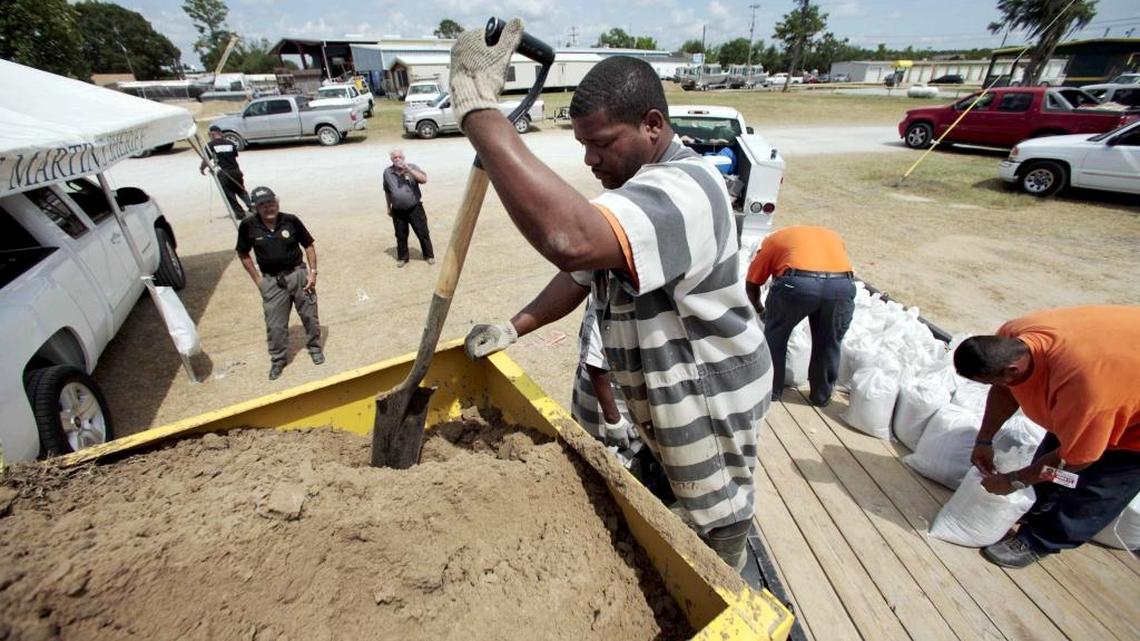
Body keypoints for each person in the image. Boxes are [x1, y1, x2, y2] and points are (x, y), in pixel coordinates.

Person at [450, 21, 773, 571]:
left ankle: (735, 594)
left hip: (708, 402)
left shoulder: (690, 188)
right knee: (665, 508)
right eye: (582, 146)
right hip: (658, 401)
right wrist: (514, 326)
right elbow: (581, 275)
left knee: (715, 524)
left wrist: (481, 113)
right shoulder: (635, 193)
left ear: (652, 125)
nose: (589, 161)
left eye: (600, 144)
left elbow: (571, 243)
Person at [954, 306, 1140, 568]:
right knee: (1054, 461)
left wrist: (1014, 480)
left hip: (1129, 424)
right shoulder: (1013, 336)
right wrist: (984, 440)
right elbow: (1004, 391)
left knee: (1094, 488)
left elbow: (1073, 462)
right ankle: (1036, 507)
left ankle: (1040, 540)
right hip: (1114, 378)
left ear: (1011, 370)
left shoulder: (1084, 390)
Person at [745, 226, 855, 406]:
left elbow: (752, 284)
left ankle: (772, 391)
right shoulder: (833, 236)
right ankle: (821, 396)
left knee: (776, 337)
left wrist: (761, 310)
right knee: (829, 342)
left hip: (797, 286)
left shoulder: (772, 241)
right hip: (841, 287)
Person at [236, 186, 325, 380]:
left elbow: (308, 245)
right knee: (275, 325)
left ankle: (315, 348)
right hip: (272, 281)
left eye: (271, 203)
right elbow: (243, 254)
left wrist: (312, 273)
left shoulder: (290, 221)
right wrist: (258, 281)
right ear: (255, 208)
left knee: (310, 316)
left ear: (277, 203)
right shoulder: (248, 226)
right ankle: (278, 360)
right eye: (263, 205)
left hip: (298, 275)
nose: (269, 208)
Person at [571, 295, 639, 463]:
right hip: (606, 395)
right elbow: (594, 356)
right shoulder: (611, 287)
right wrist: (613, 419)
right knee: (608, 462)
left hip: (627, 388)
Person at [382, 149, 434, 267]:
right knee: (400, 235)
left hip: (415, 208)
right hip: (398, 210)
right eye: (395, 157)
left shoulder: (412, 167)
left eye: (400, 157)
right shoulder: (387, 172)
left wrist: (409, 170)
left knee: (423, 232)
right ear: (391, 160)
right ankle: (403, 258)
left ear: (404, 157)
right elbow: (387, 191)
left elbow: (424, 179)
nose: (398, 159)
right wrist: (388, 207)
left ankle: (429, 255)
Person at [200, 125, 252, 220]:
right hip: (236, 171)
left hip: (223, 172)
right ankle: (253, 207)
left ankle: (240, 213)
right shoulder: (230, 143)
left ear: (212, 134)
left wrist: (201, 168)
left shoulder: (210, 145)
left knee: (229, 194)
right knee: (241, 191)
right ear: (220, 133)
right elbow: (234, 156)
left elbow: (206, 159)